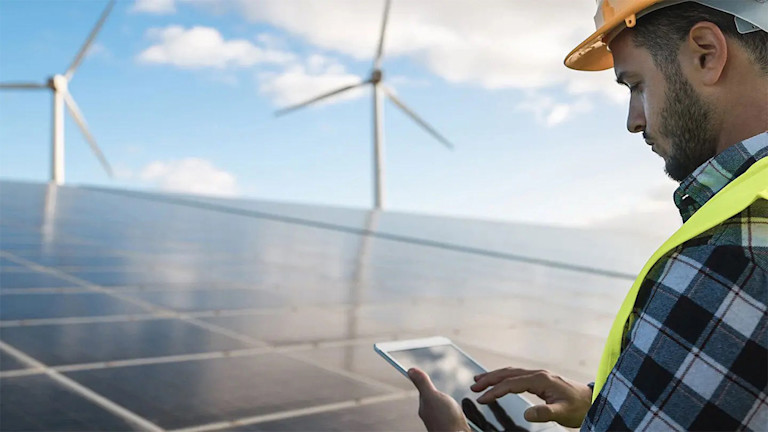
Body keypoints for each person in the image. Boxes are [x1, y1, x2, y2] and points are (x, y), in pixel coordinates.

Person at [409, 0, 768, 430]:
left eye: (635, 85)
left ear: (705, 53)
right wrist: (603, 402)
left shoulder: (733, 254)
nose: (634, 122)